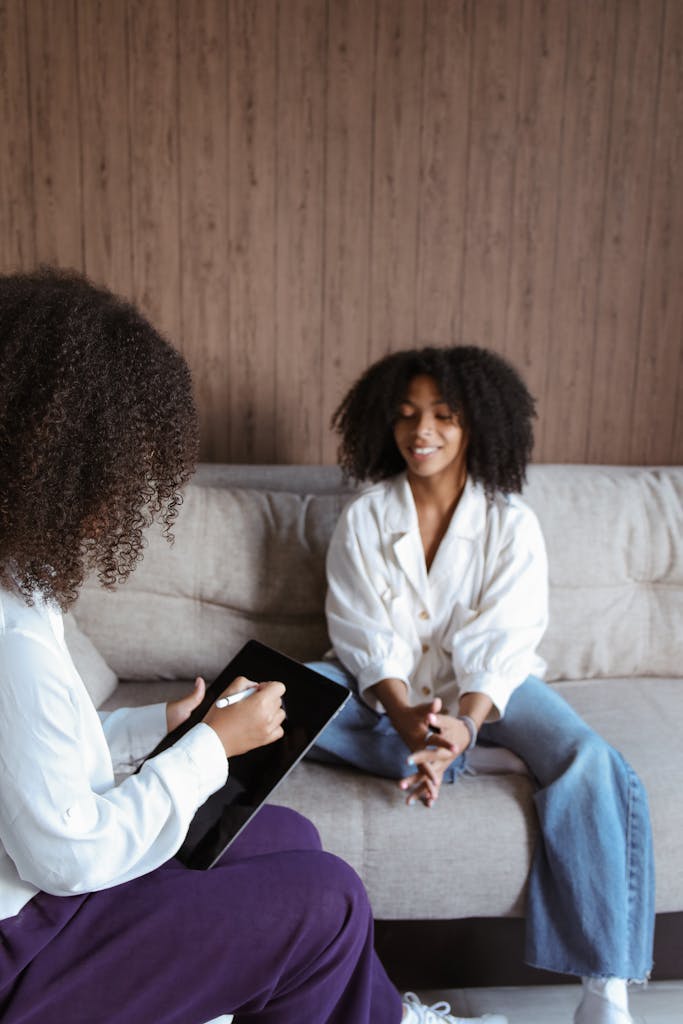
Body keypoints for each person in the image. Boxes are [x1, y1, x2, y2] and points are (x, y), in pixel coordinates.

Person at [0, 271, 507, 1024]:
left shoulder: (23, 590)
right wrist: (206, 748)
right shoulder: (12, 640)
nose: (131, 497)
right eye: (122, 472)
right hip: (31, 945)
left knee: (289, 834)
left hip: (43, 898)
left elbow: (32, 759)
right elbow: (68, 857)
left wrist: (159, 730)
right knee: (326, 901)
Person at [308, 345, 655, 1024]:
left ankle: (603, 988)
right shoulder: (365, 519)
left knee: (588, 758)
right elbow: (362, 633)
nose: (421, 432)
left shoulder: (510, 524)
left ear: (477, 426)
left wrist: (462, 723)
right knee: (285, 699)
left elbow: (501, 640)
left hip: (493, 691)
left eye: (443, 415)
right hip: (388, 692)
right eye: (406, 416)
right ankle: (456, 755)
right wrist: (407, 717)